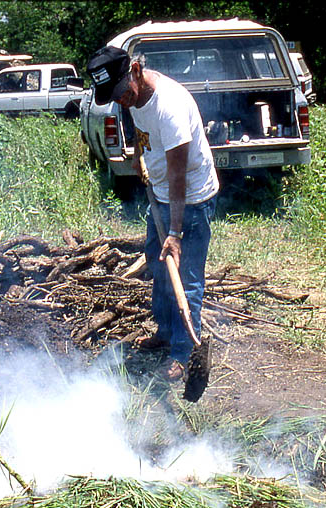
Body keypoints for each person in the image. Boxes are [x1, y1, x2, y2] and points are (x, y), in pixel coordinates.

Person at [86, 46, 219, 381]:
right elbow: (139, 125)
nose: (120, 101)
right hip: (161, 195)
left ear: (134, 70)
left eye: (120, 92)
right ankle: (164, 331)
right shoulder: (133, 96)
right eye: (112, 96)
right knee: (157, 267)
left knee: (185, 278)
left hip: (190, 199)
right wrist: (137, 152)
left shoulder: (169, 107)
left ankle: (183, 351)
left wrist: (175, 233)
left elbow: (179, 175)